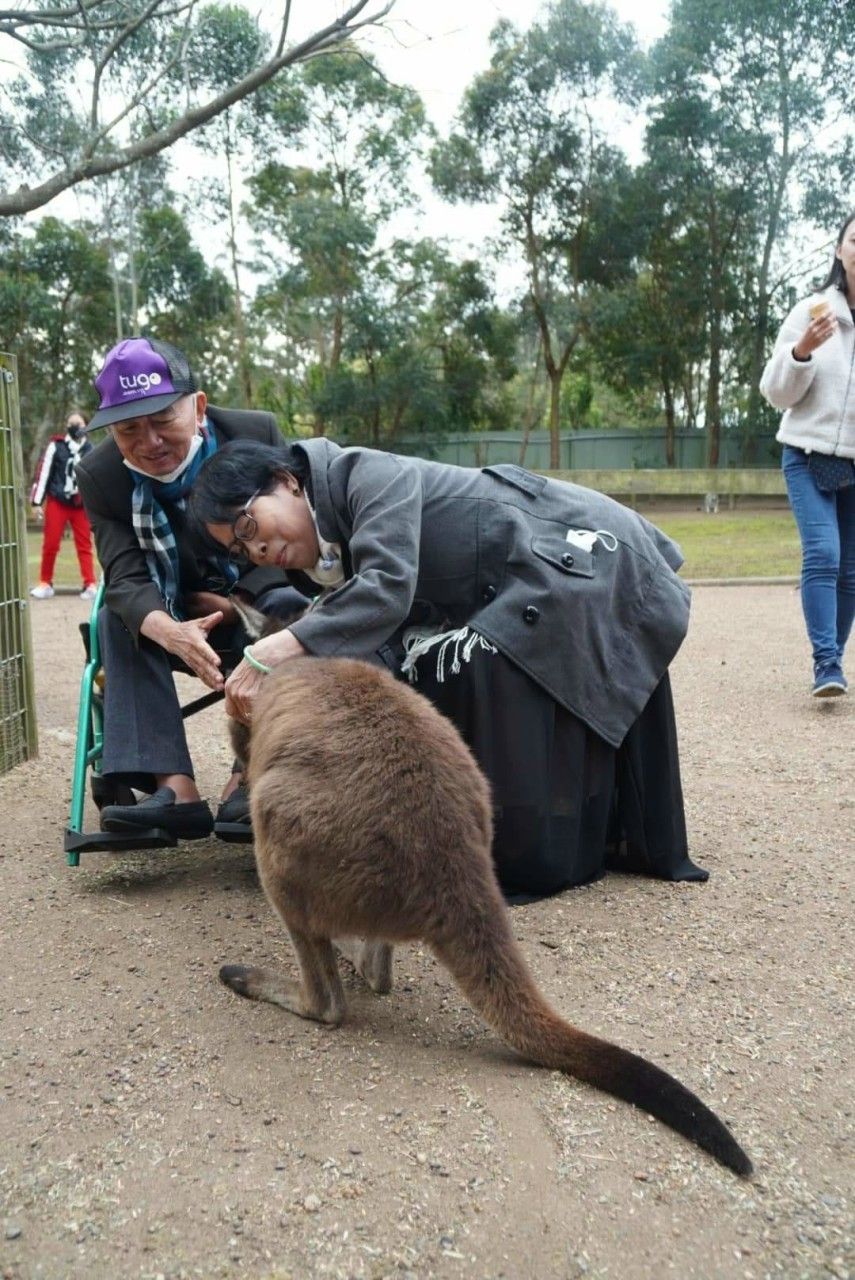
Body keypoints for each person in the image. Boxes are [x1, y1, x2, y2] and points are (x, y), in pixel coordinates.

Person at [189, 436, 709, 901]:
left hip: (580, 548)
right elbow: (360, 625)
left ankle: (543, 853)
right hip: (525, 575)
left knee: (486, 662)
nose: (256, 549)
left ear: (286, 481)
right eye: (240, 549)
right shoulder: (329, 549)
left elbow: (387, 587)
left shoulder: (367, 473)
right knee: (440, 662)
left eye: (248, 525)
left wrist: (271, 651)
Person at [75, 336, 305, 841]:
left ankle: (252, 777)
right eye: (129, 428)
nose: (149, 442)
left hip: (251, 602)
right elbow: (126, 576)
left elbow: (288, 543)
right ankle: (174, 789)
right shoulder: (100, 475)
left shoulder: (253, 431)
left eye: (163, 421)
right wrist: (170, 629)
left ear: (197, 407)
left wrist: (236, 606)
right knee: (118, 615)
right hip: (172, 618)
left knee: (288, 606)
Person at [760, 211, 855, 698]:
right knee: (824, 552)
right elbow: (775, 393)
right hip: (807, 452)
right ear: (841, 249)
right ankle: (825, 663)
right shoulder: (813, 311)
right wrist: (800, 352)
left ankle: (832, 661)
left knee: (852, 568)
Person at [29, 409, 98, 600]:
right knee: (50, 544)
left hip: (81, 503)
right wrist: (36, 502)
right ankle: (45, 582)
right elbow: (44, 474)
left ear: (86, 427)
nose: (75, 427)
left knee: (84, 544)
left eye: (79, 424)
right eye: (72, 424)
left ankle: (90, 583)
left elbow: (95, 480)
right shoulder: (56, 446)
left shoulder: (91, 450)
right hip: (57, 500)